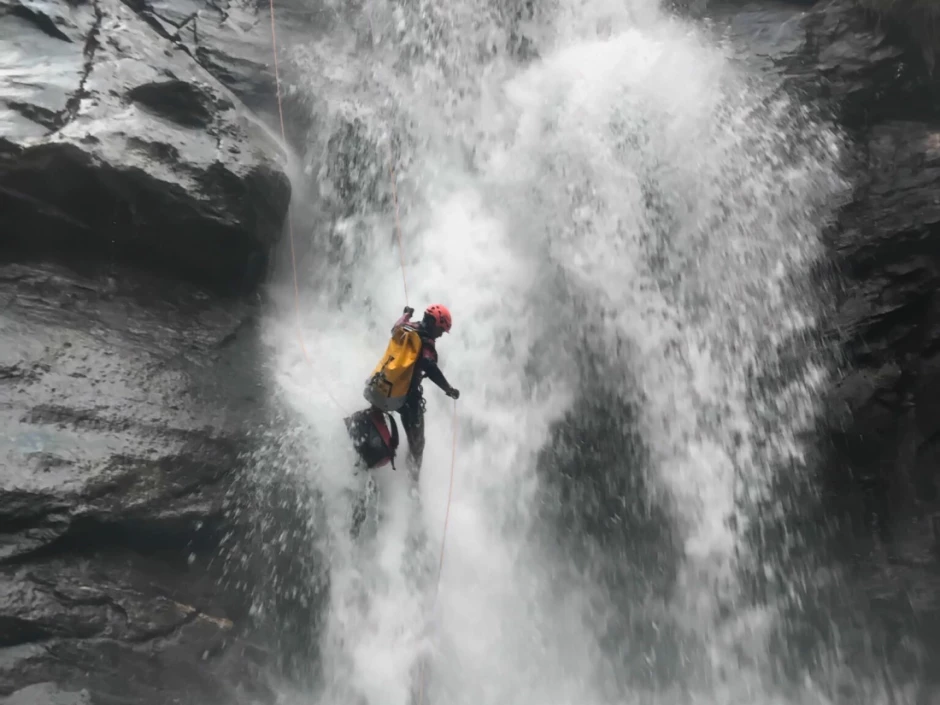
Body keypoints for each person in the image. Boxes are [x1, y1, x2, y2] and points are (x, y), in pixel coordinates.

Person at [390, 304, 459, 479]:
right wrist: (448, 389)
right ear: (436, 323)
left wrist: (406, 314)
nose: (441, 335)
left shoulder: (408, 326)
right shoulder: (426, 340)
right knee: (418, 444)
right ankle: (412, 482)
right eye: (441, 330)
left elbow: (394, 328)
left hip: (390, 385)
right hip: (408, 397)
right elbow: (429, 365)